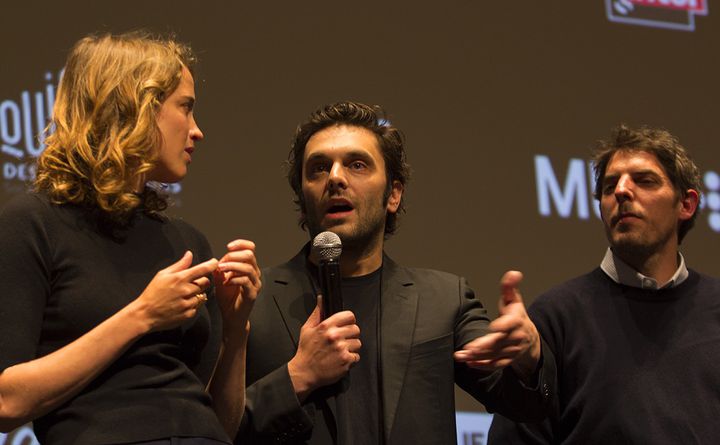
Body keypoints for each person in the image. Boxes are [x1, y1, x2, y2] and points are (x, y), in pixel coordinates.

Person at [236, 101, 556, 444]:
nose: (335, 178)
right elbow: (214, 430)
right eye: (318, 168)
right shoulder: (254, 297)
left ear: (393, 193)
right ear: (302, 193)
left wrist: (529, 357)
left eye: (356, 165)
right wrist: (296, 377)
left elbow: (527, 403)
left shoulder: (443, 301)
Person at [0, 32, 261, 445]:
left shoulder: (187, 242)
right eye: (186, 108)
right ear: (136, 107)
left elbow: (222, 423)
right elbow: (5, 402)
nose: (197, 131)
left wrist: (235, 329)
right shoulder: (33, 224)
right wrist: (142, 314)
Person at [488, 125, 719, 444]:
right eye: (610, 186)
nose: (622, 191)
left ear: (687, 205)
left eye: (644, 180)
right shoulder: (555, 317)